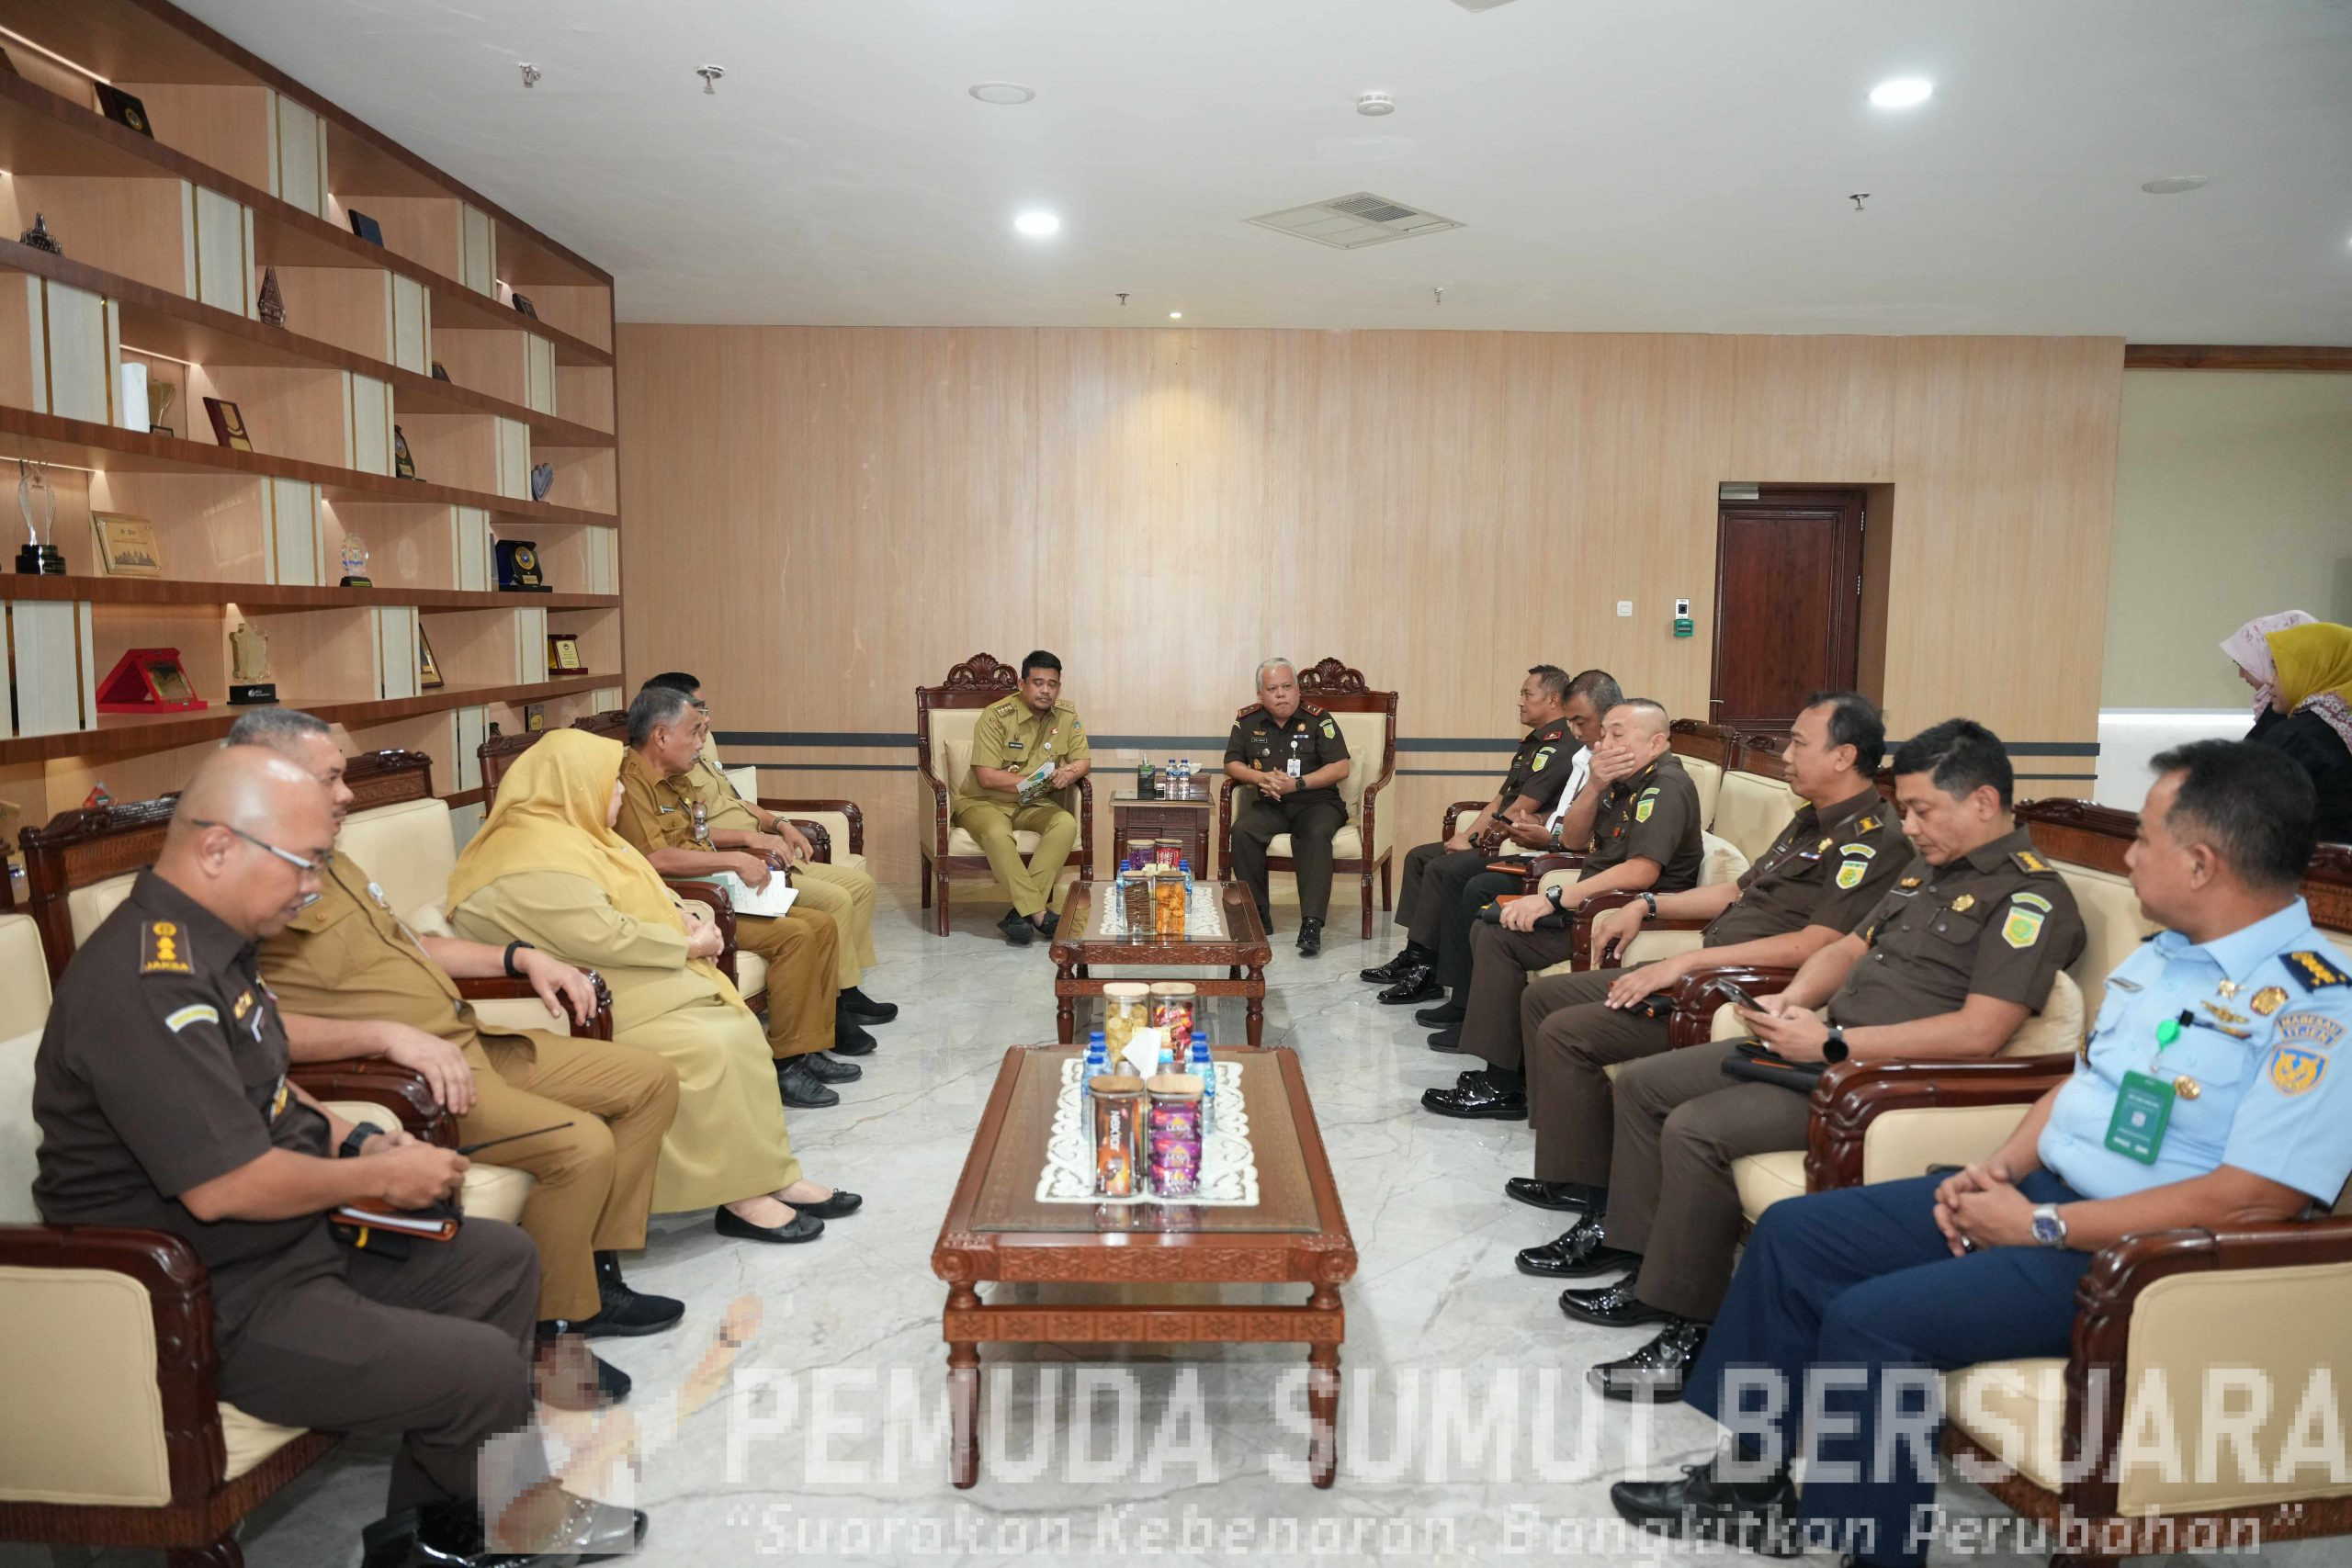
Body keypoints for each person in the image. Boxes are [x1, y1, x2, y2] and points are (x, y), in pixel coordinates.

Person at [1611, 739, 2352, 1568]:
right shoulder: (2163, 957)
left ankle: (1873, 1551)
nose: (2129, 857)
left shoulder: (2316, 1007)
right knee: (1796, 1233)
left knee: (1873, 1319)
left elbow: (2255, 1198)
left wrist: (2037, 1225)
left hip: (2137, 1258)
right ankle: (1748, 1487)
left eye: (2144, 839)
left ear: (2203, 862)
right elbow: (2080, 1085)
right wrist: (1995, 1168)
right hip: (2045, 1194)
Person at [29, 747, 557, 1567]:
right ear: (217, 848)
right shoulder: (146, 984)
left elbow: (269, 1081)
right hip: (209, 1299)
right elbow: (224, 1186)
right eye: (302, 862)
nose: (313, 885)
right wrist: (381, 1174)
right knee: (481, 1369)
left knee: (500, 1262)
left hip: (293, 1245)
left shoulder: (217, 944)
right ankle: (494, 1525)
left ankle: (434, 1533)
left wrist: (355, 1137)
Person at [1544, 719, 2084, 1404]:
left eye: (1923, 810)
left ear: (1982, 802)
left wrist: (1833, 1046)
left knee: (1696, 1128)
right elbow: (1846, 948)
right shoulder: (1928, 866)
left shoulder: (2030, 897)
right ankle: (1646, 1263)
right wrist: (1792, 1003)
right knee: (1647, 1086)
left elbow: (1980, 1032)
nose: (1910, 827)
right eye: (1906, 810)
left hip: (1873, 1079)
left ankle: (1689, 1328)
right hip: (1820, 1043)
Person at [233, 709, 683, 1401]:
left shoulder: (333, 858)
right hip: (410, 1076)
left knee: (650, 1079)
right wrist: (383, 1036)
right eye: (331, 779)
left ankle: (594, 1277)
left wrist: (521, 957)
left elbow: (413, 947)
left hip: (471, 1035)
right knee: (582, 1144)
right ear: (274, 781)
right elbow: (246, 1026)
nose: (348, 793)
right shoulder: (243, 884)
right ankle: (546, 1334)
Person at [447, 728, 861, 1245]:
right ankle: (740, 1195)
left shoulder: (581, 836)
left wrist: (685, 915)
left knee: (736, 1027)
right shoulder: (524, 857)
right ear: (573, 784)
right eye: (610, 781)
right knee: (712, 1042)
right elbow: (600, 933)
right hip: (581, 996)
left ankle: (771, 1174)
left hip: (621, 973)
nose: (620, 790)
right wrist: (686, 944)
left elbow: (645, 893)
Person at [1424, 692, 1906, 1128]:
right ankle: (1547, 1132)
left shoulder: (1870, 841)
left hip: (1729, 973)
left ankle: (1544, 1133)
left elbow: (1825, 943)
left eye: (1799, 743)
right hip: (1691, 948)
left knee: (1552, 1005)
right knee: (1527, 974)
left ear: (1843, 756)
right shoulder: (1808, 821)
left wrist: (1675, 947)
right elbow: (1736, 890)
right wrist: (1646, 902)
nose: (1786, 755)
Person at [611, 683, 868, 1111]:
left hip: (714, 885)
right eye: (694, 733)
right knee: (795, 936)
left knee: (821, 925)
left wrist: (744, 851)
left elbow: (697, 833)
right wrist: (734, 860)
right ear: (660, 736)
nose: (701, 743)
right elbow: (654, 858)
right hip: (683, 900)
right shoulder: (631, 783)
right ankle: (785, 1065)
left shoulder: (675, 780)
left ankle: (807, 1048)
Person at [1423, 696, 1707, 1066]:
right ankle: (1503, 1063)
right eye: (1604, 734)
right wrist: (1594, 786)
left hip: (1622, 912)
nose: (1604, 744)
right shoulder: (1623, 781)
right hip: (1595, 901)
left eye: (1617, 735)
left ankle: (1501, 1075)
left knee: (1499, 935)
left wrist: (1553, 898)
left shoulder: (1664, 785)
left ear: (1655, 743)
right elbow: (1573, 840)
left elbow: (1641, 872)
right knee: (1491, 922)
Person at [639, 671, 896, 1025]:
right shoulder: (665, 766)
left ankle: (846, 990)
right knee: (834, 902)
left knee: (862, 886)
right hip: (737, 862)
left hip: (762, 850)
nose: (706, 719)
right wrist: (749, 843)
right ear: (667, 721)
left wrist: (780, 825)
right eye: (699, 709)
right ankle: (834, 1006)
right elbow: (685, 836)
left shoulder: (698, 751)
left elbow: (737, 803)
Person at [1362, 665, 1581, 1002]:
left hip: (1514, 841)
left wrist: (1478, 841)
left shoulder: (1559, 746)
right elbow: (1499, 800)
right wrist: (1466, 837)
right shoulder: (1534, 744)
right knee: (1419, 857)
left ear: (1553, 699)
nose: (1520, 701)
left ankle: (1428, 970)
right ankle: (1416, 954)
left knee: (1440, 867)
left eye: (1527, 694)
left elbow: (1521, 807)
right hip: (1498, 834)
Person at [1413, 668, 1617, 1027]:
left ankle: (1463, 1001)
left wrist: (1548, 838)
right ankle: (1433, 971)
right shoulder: (1584, 755)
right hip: (1553, 851)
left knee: (1469, 881)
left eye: (1580, 721)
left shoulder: (1620, 769)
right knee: (1449, 869)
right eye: (1571, 721)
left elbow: (1598, 841)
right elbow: (1562, 814)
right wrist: (1543, 824)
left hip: (1567, 866)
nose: (1574, 730)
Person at [953, 649, 1091, 945]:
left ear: (1059, 687)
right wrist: (1037, 782)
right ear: (1021, 684)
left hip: (1032, 803)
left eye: (1052, 684)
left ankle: (1021, 914)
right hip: (983, 802)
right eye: (1038, 683)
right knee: (997, 834)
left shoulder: (1066, 715)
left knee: (1065, 824)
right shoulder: (996, 716)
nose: (1045, 690)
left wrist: (1069, 773)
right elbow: (986, 776)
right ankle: (1039, 913)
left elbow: (1082, 761)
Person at [1223, 657, 1353, 956]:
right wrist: (1261, 778)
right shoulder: (1247, 721)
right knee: (1243, 832)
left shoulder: (1319, 719)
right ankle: (1257, 914)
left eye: (1287, 686)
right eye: (1272, 689)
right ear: (1260, 694)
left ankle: (1311, 923)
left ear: (1297, 689)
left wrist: (1298, 784)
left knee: (1314, 835)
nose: (1281, 694)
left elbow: (1340, 767)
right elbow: (1231, 763)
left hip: (1317, 803)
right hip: (1272, 803)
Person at [2222, 612, 2352, 843]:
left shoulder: (2303, 736)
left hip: (2310, 860)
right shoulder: (2340, 721)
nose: (2270, 680)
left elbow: (2238, 804)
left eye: (2279, 668)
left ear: (2313, 670)